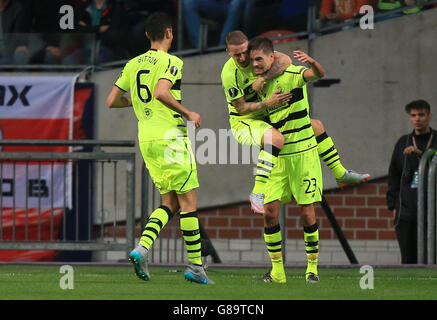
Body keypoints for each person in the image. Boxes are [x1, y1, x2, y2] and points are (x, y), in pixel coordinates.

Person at [106, 12, 214, 284]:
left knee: (169, 202)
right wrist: (188, 112)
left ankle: (141, 248)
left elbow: (112, 100)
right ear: (170, 33)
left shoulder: (132, 64)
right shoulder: (172, 61)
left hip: (147, 139)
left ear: (146, 35)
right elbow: (162, 92)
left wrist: (138, 104)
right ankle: (196, 267)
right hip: (171, 137)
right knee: (188, 202)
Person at [221, 30, 369, 215]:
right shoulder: (229, 74)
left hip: (266, 114)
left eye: (245, 51)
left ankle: (340, 174)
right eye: (237, 55)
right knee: (275, 139)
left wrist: (263, 79)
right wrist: (269, 102)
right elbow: (241, 109)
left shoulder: (254, 55)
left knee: (315, 126)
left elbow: (285, 60)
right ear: (228, 52)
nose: (243, 57)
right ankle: (257, 192)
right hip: (245, 121)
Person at [248, 37, 324, 283]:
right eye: (252, 60)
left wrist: (313, 62)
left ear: (272, 57)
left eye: (259, 59)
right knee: (269, 213)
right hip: (277, 157)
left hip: (302, 154)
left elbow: (317, 75)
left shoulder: (292, 74)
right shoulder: (257, 84)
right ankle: (277, 271)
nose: (255, 64)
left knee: (307, 213)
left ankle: (311, 268)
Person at [386, 100, 437, 264]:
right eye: (413, 115)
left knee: (432, 258)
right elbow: (394, 175)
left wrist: (420, 154)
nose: (417, 119)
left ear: (429, 116)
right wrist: (393, 204)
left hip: (433, 210)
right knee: (408, 259)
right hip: (407, 209)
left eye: (421, 115)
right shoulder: (403, 142)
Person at [183, 0, 256, 48]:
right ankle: (199, 46)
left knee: (237, 3)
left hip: (232, 3)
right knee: (189, 3)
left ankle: (222, 46)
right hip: (214, 4)